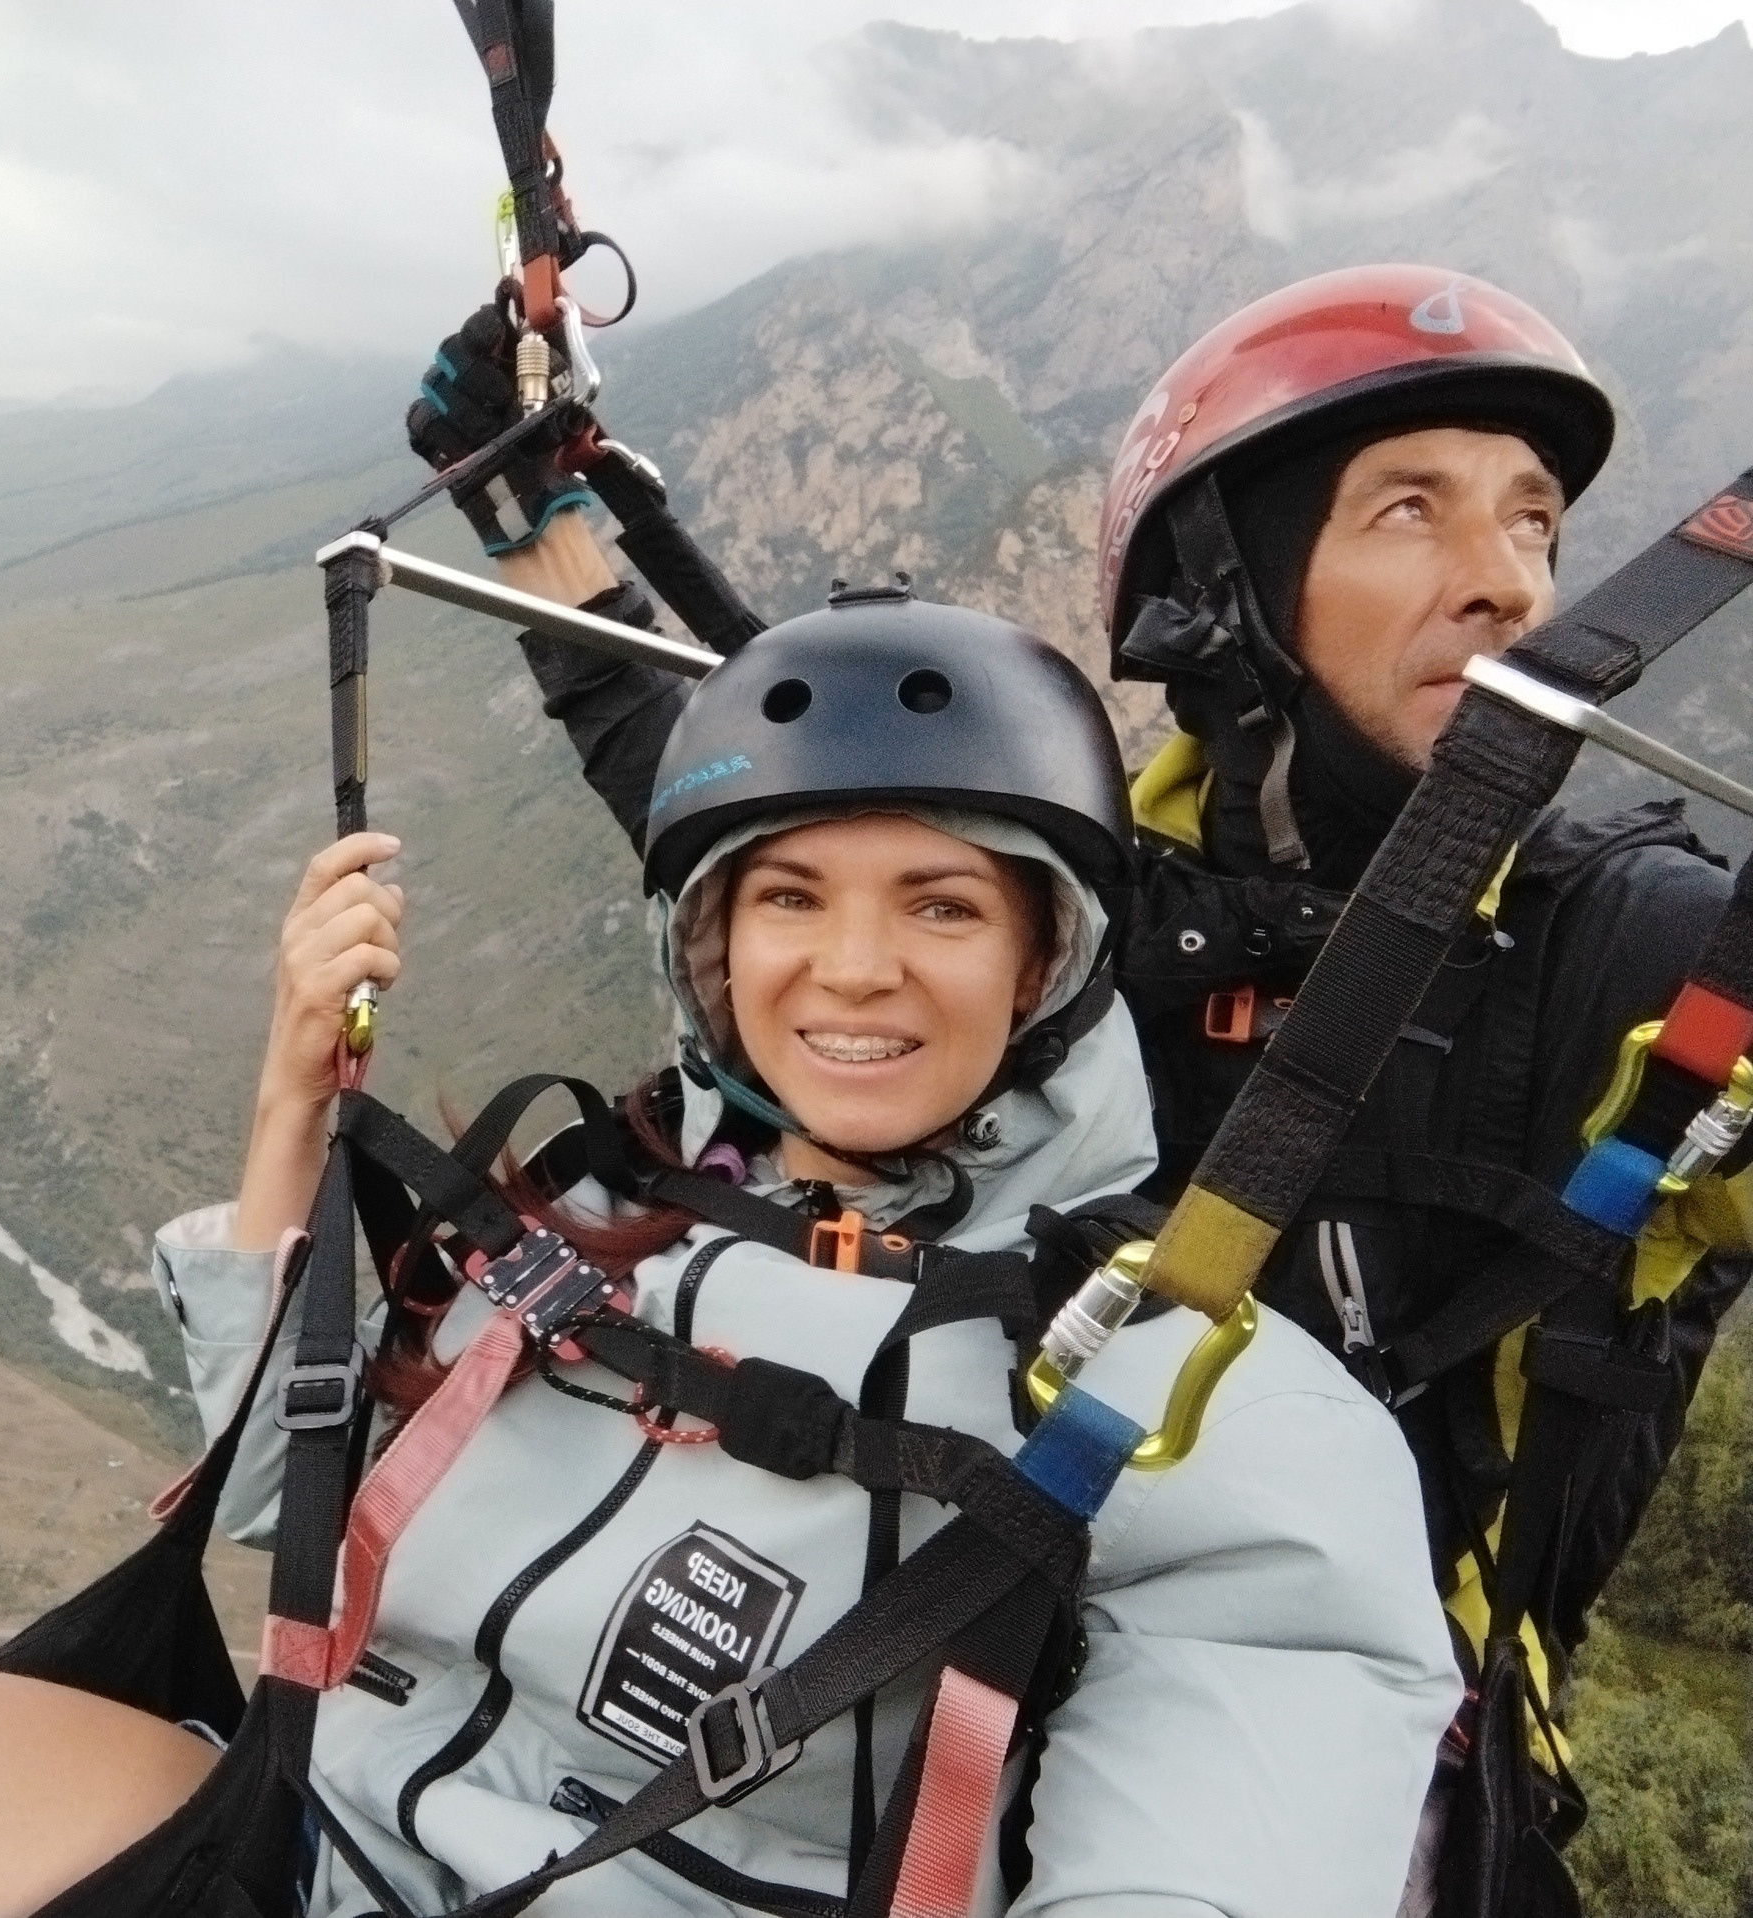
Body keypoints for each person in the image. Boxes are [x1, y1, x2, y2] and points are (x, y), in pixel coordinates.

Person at [0, 597, 1461, 1917]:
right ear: (709, 941)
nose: (847, 966)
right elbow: (285, 1498)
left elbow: (1211, 1846)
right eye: (783, 894)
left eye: (938, 903)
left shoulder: (1201, 1400)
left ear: (1047, 955)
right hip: (305, 1834)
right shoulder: (604, 1201)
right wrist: (287, 1098)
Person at [414, 263, 1753, 1906]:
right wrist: (535, 519)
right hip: (969, 1628)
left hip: (1343, 1749)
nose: (1511, 587)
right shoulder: (1111, 890)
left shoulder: (1630, 952)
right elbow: (811, 860)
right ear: (1232, 578)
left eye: (1536, 522)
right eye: (1411, 509)